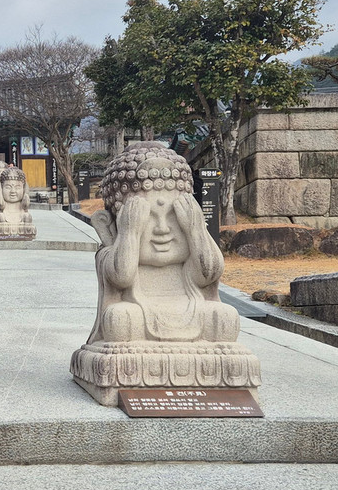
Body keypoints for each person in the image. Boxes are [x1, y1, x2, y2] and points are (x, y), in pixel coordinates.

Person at [86, 142, 238, 344]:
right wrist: (130, 232)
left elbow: (209, 273)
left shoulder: (188, 259)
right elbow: (122, 277)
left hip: (192, 306)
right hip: (138, 308)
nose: (162, 228)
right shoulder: (111, 253)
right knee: (119, 317)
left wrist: (196, 230)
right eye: (147, 218)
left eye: (174, 217)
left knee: (225, 316)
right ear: (111, 224)